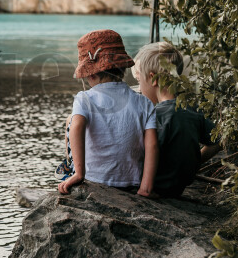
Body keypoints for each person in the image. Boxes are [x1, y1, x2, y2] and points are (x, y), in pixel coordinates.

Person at [57, 29, 158, 197]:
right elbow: (152, 145)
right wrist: (145, 187)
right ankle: (145, 185)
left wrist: (80, 175)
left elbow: (76, 128)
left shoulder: (84, 98)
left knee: (71, 121)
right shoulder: (144, 102)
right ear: (122, 68)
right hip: (130, 181)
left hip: (92, 178)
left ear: (91, 75)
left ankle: (72, 171)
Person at [132, 42, 221, 197]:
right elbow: (218, 141)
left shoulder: (155, 115)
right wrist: (193, 163)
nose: (139, 88)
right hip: (177, 188)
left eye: (139, 81)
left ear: (153, 79)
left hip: (152, 186)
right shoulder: (192, 110)